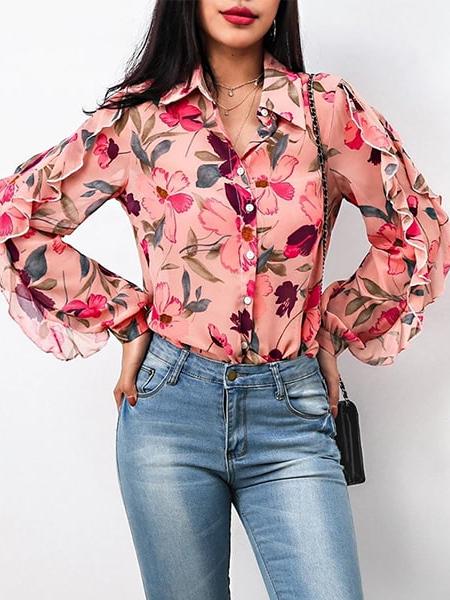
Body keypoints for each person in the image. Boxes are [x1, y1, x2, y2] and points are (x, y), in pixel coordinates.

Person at [1, 1, 449, 598]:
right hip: (168, 413)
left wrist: (335, 326)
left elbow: (416, 230)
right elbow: (17, 219)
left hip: (291, 414)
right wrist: (126, 317)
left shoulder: (324, 108)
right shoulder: (140, 119)